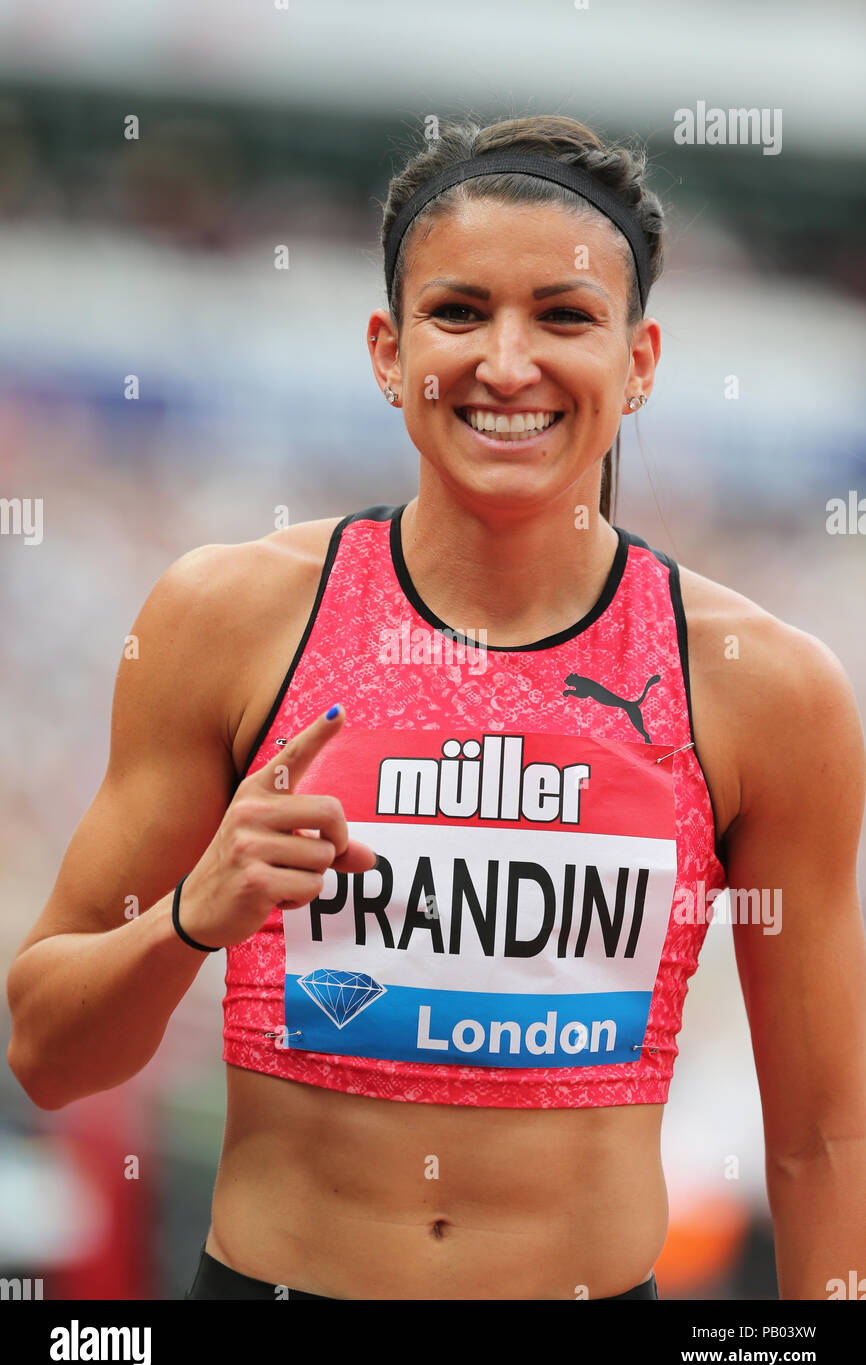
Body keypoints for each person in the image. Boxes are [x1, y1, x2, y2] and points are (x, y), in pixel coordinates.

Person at [7, 114, 866, 1302]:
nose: (504, 365)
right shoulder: (229, 617)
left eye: (562, 317)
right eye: (458, 312)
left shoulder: (763, 687)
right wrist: (191, 919)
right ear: (385, 348)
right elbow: (45, 1055)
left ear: (641, 360)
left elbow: (825, 1138)